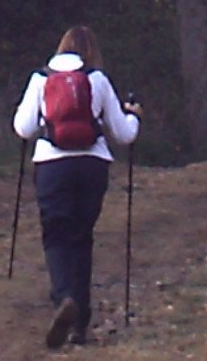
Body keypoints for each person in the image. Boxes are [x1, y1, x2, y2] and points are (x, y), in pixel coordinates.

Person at [13, 25, 141, 349]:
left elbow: (23, 128)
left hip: (51, 165)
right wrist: (134, 116)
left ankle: (63, 299)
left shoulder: (40, 79)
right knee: (81, 237)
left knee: (56, 234)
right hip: (92, 166)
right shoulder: (97, 79)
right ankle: (79, 324)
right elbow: (124, 135)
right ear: (91, 50)